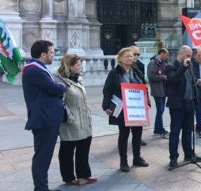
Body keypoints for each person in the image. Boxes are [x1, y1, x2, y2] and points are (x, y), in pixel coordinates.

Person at [22, 40, 67, 191]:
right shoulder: (34, 70)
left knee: (44, 156)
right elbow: (54, 88)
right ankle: (40, 188)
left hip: (48, 118)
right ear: (43, 54)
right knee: (42, 157)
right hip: (44, 119)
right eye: (52, 52)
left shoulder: (39, 68)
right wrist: (62, 86)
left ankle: (42, 187)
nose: (53, 55)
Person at [102, 47, 149, 172]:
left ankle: (137, 158)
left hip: (136, 108)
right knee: (124, 135)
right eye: (127, 56)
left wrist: (147, 102)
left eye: (132, 56)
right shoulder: (114, 73)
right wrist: (106, 106)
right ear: (120, 59)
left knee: (138, 134)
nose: (130, 58)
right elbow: (107, 90)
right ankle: (124, 161)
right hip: (122, 109)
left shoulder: (137, 71)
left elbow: (144, 87)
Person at [55, 54, 96, 186]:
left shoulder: (77, 78)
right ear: (69, 66)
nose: (80, 67)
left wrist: (88, 111)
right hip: (70, 121)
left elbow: (83, 99)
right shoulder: (59, 81)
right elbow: (58, 102)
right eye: (78, 65)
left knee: (84, 146)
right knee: (67, 149)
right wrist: (69, 116)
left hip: (84, 118)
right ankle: (68, 177)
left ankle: (84, 175)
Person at [166, 46, 201, 169]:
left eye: (190, 56)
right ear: (180, 53)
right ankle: (173, 158)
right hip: (177, 105)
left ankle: (189, 154)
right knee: (175, 132)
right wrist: (184, 66)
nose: (189, 58)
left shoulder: (189, 66)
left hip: (189, 103)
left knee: (188, 131)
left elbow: (189, 80)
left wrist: (196, 81)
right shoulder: (171, 66)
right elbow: (174, 79)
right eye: (187, 55)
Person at [147, 48, 170, 139]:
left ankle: (157, 129)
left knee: (161, 110)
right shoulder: (152, 63)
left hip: (163, 89)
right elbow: (151, 76)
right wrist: (164, 77)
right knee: (160, 110)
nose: (167, 56)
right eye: (166, 55)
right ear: (162, 53)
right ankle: (160, 129)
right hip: (157, 90)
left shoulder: (163, 63)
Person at [131, 45, 149, 146]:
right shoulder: (122, 66)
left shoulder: (141, 65)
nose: (136, 56)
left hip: (139, 96)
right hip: (128, 96)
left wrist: (147, 101)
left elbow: (143, 83)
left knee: (139, 121)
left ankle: (138, 138)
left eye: (138, 54)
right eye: (134, 54)